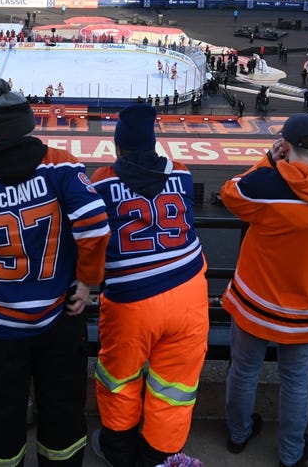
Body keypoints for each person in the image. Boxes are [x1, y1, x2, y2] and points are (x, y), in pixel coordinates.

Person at [0, 79, 109, 467]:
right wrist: (86, 282)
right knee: (64, 417)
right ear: (28, 123)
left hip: (1, 325)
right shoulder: (62, 163)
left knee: (2, 420)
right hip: (60, 316)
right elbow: (96, 226)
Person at [220, 113, 308, 467]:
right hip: (306, 308)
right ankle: (290, 453)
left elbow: (230, 193)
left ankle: (238, 435)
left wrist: (267, 161)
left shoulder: (263, 186)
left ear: (284, 145)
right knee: (297, 383)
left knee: (243, 370)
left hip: (254, 302)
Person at [89, 103, 209, 467]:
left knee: (119, 380)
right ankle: (159, 457)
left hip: (132, 300)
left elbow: (91, 236)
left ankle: (119, 451)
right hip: (189, 290)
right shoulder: (183, 174)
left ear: (118, 145)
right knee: (174, 387)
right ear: (154, 142)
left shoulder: (102, 180)